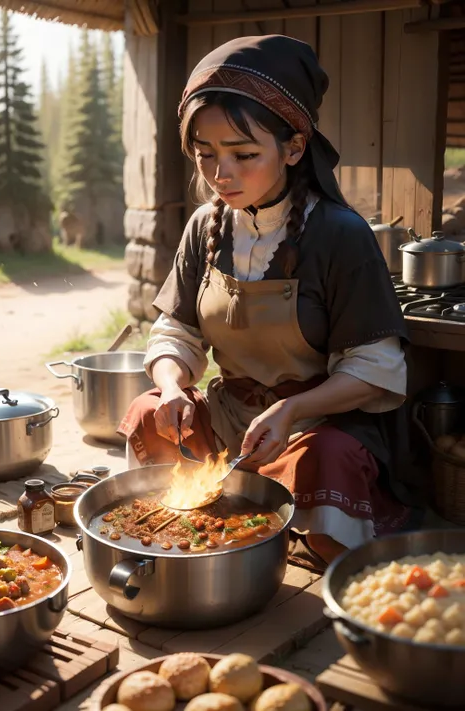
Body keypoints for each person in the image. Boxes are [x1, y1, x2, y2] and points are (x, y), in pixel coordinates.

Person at [118, 34, 411, 567]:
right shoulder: (204, 226)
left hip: (314, 427)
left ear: (294, 147)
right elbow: (175, 333)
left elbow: (376, 369)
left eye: (243, 154)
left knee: (323, 457)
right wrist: (169, 388)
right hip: (235, 424)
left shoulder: (340, 235)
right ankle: (206, 529)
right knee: (145, 414)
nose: (220, 174)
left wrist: (294, 408)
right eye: (205, 154)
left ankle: (307, 543)